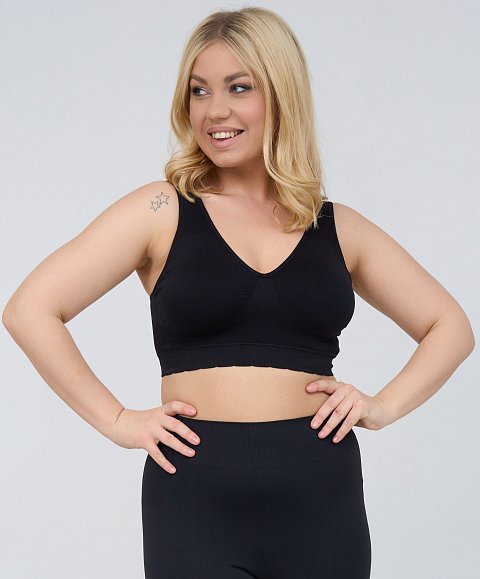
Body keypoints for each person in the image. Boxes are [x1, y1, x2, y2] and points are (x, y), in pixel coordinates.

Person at [2, 6, 474, 579]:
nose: (215, 111)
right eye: (199, 91)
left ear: (282, 94)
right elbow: (30, 309)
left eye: (239, 87)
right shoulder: (161, 209)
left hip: (321, 497)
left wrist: (383, 406)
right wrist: (118, 419)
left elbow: (450, 326)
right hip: (194, 496)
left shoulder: (338, 228)